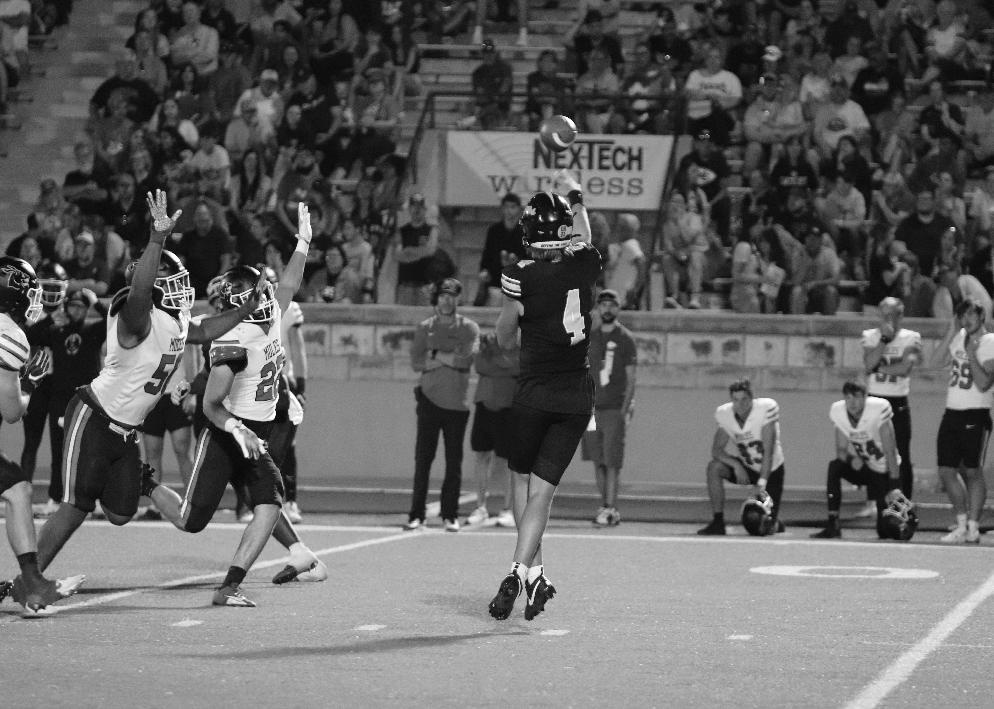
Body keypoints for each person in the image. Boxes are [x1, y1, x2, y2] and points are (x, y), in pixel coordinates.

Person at [32, 191, 266, 578]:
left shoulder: (174, 320)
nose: (182, 288)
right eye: (172, 281)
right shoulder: (136, 314)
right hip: (95, 417)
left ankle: (116, 479)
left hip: (125, 430)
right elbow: (140, 292)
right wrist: (157, 239)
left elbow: (206, 329)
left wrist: (245, 309)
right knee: (76, 505)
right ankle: (28, 578)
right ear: (153, 284)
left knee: (121, 512)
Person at [144, 204, 327, 607]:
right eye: (260, 291)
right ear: (243, 300)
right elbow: (212, 406)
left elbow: (290, 283)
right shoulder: (232, 340)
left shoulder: (271, 312)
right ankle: (143, 482)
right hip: (228, 434)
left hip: (255, 431)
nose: (269, 294)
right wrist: (236, 429)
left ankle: (230, 585)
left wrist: (303, 242)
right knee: (191, 520)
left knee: (270, 501)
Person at [488, 171, 600, 622]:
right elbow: (584, 237)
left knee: (520, 480)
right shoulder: (584, 262)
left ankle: (522, 571)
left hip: (535, 392)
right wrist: (576, 196)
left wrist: (515, 329)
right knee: (544, 492)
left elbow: (503, 337)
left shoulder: (520, 275)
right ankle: (529, 573)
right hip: (576, 396)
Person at [0, 257, 84, 616]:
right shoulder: (9, 334)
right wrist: (28, 385)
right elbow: (11, 412)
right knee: (17, 489)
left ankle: (33, 580)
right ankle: (33, 582)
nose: (36, 299)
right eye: (31, 291)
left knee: (16, 488)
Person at [404, 278, 480, 532]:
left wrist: (435, 355)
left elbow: (465, 360)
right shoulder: (425, 328)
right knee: (423, 459)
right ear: (436, 299)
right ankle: (416, 514)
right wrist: (448, 357)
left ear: (458, 299)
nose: (447, 301)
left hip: (457, 404)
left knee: (453, 461)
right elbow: (416, 363)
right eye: (443, 296)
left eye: (452, 296)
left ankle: (450, 514)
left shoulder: (469, 328)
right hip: (428, 400)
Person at [24, 287, 107, 517]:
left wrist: (97, 303)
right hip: (60, 400)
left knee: (91, 451)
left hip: (88, 400)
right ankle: (55, 498)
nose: (76, 311)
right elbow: (30, 336)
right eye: (72, 306)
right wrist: (51, 317)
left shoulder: (94, 330)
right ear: (66, 308)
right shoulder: (57, 331)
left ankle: (93, 500)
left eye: (81, 307)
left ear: (87, 310)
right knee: (59, 451)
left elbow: (116, 321)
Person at [931, 298, 994, 544]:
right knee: (946, 470)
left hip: (975, 411)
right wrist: (951, 332)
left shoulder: (989, 342)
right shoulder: (959, 337)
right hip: (952, 411)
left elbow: (984, 382)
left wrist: (971, 355)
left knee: (972, 470)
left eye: (971, 314)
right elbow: (934, 363)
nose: (966, 320)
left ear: (981, 316)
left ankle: (973, 526)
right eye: (962, 315)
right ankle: (960, 523)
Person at [810, 381, 905, 539]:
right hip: (866, 469)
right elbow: (841, 451)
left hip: (885, 471)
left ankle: (897, 520)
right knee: (835, 466)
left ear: (865, 398)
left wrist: (894, 485)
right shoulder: (839, 412)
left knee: (886, 531)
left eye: (857, 397)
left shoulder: (878, 410)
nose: (852, 402)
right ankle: (833, 523)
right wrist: (853, 460)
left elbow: (890, 452)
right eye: (848, 397)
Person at [698, 379, 786, 536]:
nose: (740, 404)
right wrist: (736, 465)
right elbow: (716, 450)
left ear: (752, 398)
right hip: (748, 467)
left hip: (771, 471)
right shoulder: (725, 414)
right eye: (736, 400)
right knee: (714, 467)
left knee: (761, 527)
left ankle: (775, 523)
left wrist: (761, 483)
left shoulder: (765, 409)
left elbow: (768, 452)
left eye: (744, 399)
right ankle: (718, 521)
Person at [582, 289, 636, 527]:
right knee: (598, 460)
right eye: (603, 305)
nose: (607, 309)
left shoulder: (625, 338)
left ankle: (611, 506)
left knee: (612, 461)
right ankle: (605, 505)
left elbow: (631, 378)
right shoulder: (590, 337)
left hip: (614, 407)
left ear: (618, 309)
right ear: (598, 308)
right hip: (591, 409)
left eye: (611, 305)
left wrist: (624, 409)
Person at [861, 298, 921, 501]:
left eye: (891, 315)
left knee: (901, 452)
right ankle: (874, 500)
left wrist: (878, 368)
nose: (887, 320)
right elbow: (868, 363)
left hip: (897, 400)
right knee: (873, 451)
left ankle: (904, 500)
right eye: (883, 315)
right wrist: (884, 340)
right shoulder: (870, 336)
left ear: (900, 316)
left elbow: (904, 368)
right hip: (874, 398)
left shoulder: (911, 338)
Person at [464, 332, 518, 529]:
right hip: (484, 406)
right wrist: (501, 363)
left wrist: (496, 360)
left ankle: (507, 510)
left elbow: (516, 367)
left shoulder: (520, 348)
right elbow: (480, 366)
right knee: (481, 456)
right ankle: (480, 508)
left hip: (508, 408)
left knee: (507, 461)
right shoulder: (486, 347)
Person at [477, 192, 526, 307]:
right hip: (496, 282)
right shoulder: (494, 231)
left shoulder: (525, 232)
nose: (509, 211)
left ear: (519, 210)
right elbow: (487, 254)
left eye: (512, 207)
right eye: (506, 207)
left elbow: (529, 258)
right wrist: (484, 270)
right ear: (502, 209)